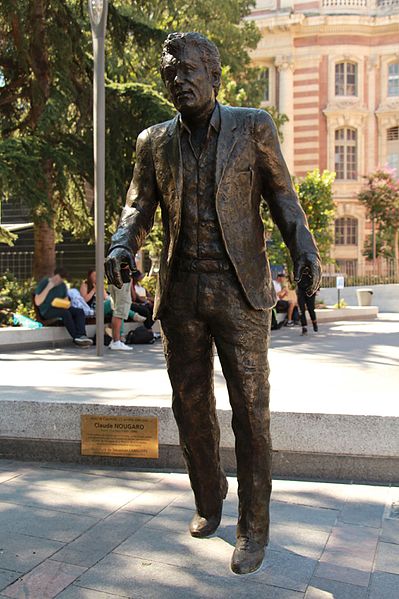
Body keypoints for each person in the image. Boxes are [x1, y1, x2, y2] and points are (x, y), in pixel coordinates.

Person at [105, 32, 321, 574]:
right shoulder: (154, 142)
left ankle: (254, 527)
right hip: (180, 294)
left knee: (251, 411)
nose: (179, 81)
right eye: (170, 74)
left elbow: (283, 199)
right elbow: (138, 206)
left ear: (214, 76)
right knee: (190, 408)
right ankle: (209, 495)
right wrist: (120, 244)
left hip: (239, 289)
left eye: (189, 72)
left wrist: (305, 254)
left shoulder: (253, 127)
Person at [34, 267, 93, 347]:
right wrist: (49, 287)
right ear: (55, 276)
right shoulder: (44, 282)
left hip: (60, 308)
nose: (61, 280)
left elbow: (65, 301)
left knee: (79, 311)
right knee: (65, 313)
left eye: (62, 279)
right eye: (60, 278)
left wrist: (67, 304)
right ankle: (76, 338)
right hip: (47, 311)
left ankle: (81, 335)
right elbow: (37, 302)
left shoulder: (62, 285)